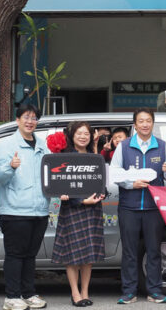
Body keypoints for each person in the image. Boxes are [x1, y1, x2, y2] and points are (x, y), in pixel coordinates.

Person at [110, 108, 166, 304]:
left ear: (153, 123)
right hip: (129, 207)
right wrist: (132, 184)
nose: (145, 124)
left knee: (154, 250)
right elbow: (115, 173)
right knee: (129, 251)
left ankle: (154, 291)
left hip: (153, 207)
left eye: (148, 120)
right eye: (141, 121)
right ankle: (129, 291)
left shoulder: (162, 146)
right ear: (135, 125)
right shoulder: (124, 146)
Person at [0, 104, 49, 310]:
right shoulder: (8, 145)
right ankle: (12, 296)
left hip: (39, 209)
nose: (30, 121)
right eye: (26, 117)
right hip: (15, 210)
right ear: (17, 120)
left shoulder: (42, 145)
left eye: (34, 118)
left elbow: (52, 175)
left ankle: (28, 293)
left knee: (30, 255)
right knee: (15, 255)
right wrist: (10, 166)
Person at [50, 121, 105, 307]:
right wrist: (79, 200)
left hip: (92, 209)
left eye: (86, 134)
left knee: (88, 254)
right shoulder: (64, 156)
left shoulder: (93, 156)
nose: (83, 137)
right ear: (72, 136)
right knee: (72, 255)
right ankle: (75, 292)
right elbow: (58, 184)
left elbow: (101, 182)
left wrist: (100, 194)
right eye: (79, 133)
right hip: (73, 210)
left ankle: (85, 291)